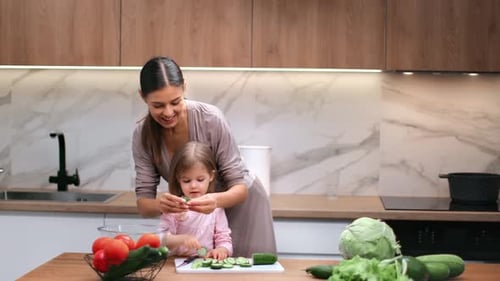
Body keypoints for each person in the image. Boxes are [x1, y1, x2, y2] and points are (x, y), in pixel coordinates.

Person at [132, 56, 276, 257]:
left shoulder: (211, 119)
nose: (168, 112)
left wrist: (214, 201)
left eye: (175, 102)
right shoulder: (143, 135)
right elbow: (144, 205)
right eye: (158, 105)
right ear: (143, 97)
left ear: (184, 88)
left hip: (243, 205)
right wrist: (162, 204)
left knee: (248, 271)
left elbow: (240, 188)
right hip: (199, 211)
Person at [159, 141, 232, 260]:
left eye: (200, 179)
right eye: (187, 181)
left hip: (204, 262)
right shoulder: (174, 206)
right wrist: (181, 239)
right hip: (175, 263)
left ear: (211, 176)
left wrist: (222, 249)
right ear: (178, 178)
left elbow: (223, 237)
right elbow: (162, 240)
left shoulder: (216, 207)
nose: (193, 185)